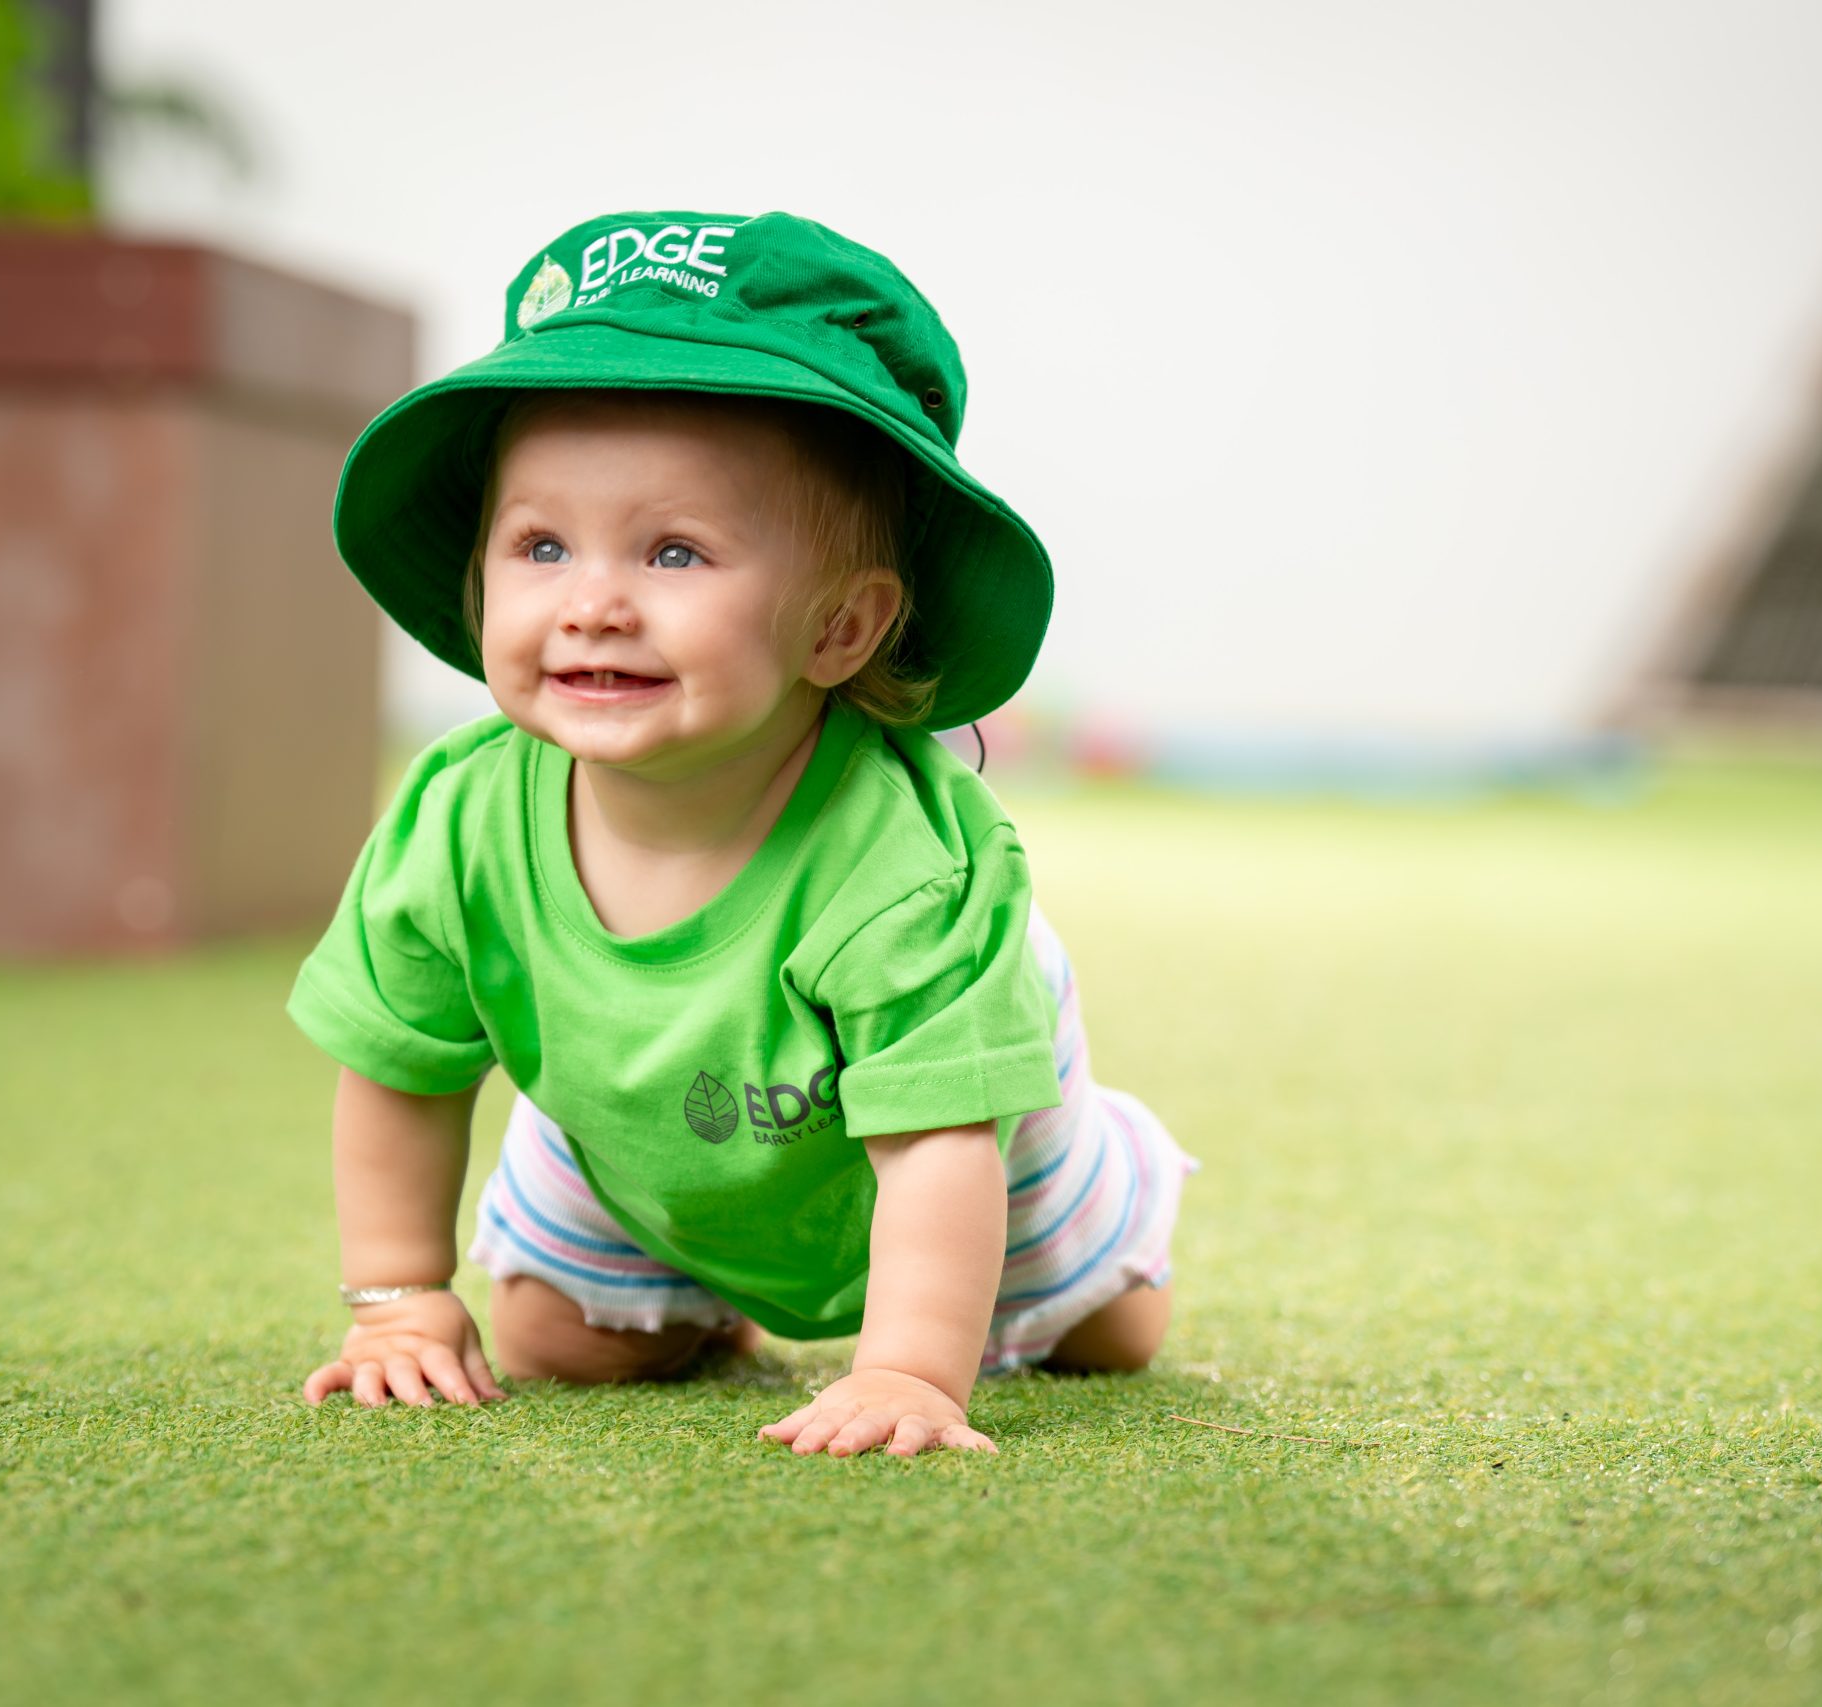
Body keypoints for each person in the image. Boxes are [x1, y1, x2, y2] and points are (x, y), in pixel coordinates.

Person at [288, 209, 1197, 1458]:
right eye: (541, 544)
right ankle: (703, 1298)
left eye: (674, 551)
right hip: (645, 1123)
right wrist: (396, 1299)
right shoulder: (459, 825)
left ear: (837, 630)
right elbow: (403, 1066)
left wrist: (910, 1375)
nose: (592, 602)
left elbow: (936, 1152)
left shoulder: (902, 872)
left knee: (1104, 1336)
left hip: (950, 1128)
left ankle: (1103, 1163)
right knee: (555, 1340)